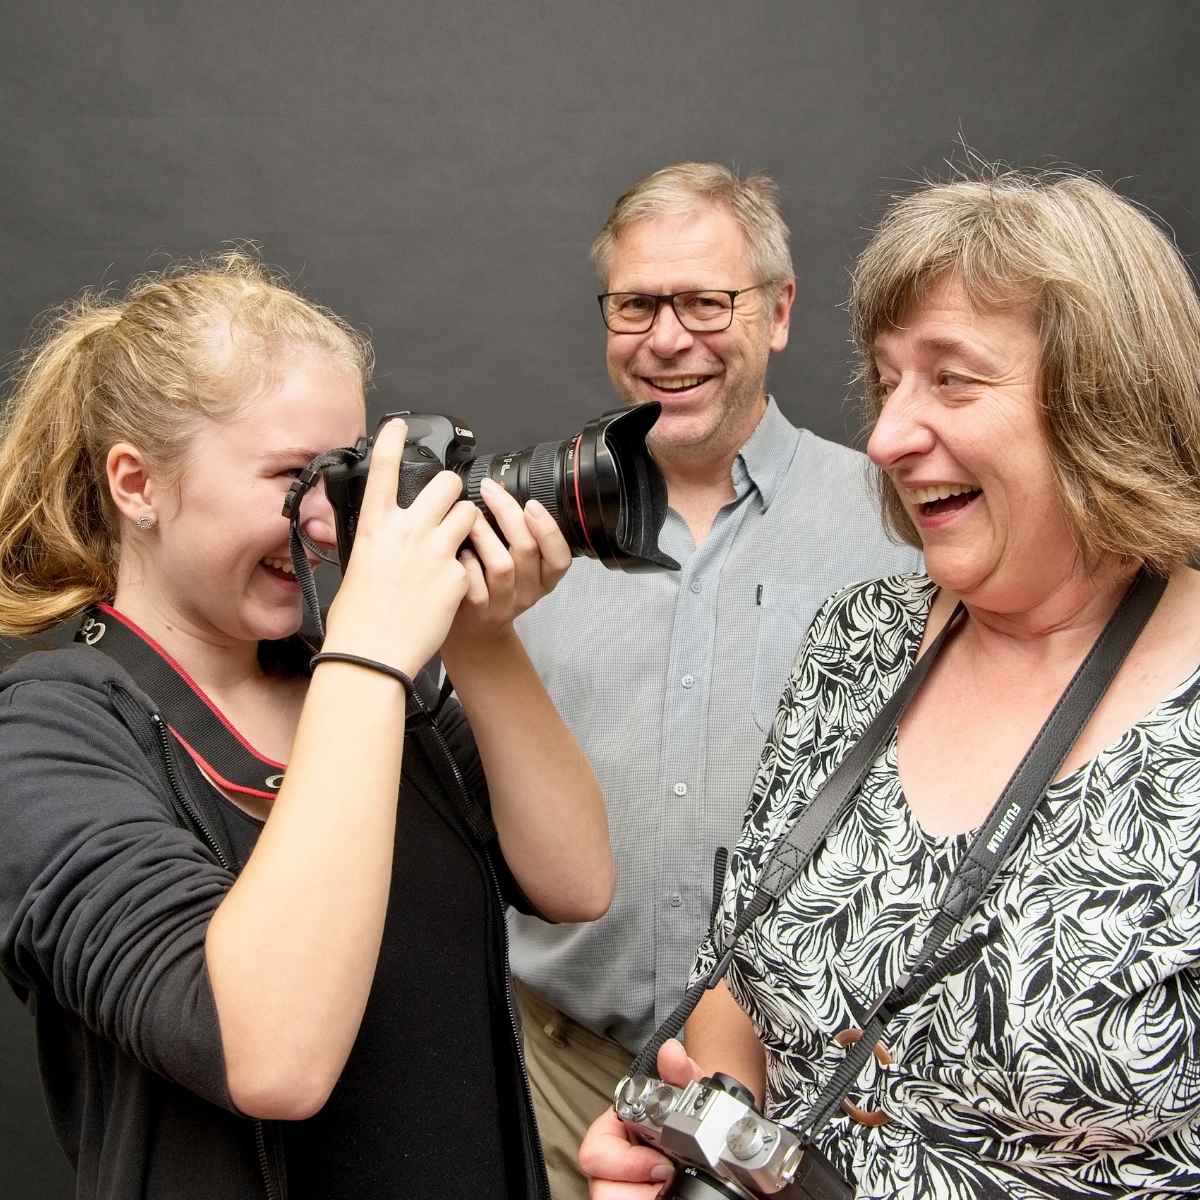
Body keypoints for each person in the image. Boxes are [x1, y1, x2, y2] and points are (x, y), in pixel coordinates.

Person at [580, 166, 1200, 1199]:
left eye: (953, 379)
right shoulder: (857, 643)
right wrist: (702, 1159)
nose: (885, 437)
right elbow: (743, 983)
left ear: (1107, 397)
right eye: (889, 380)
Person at [0, 252, 615, 1200]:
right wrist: (369, 659)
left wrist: (481, 640)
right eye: (291, 478)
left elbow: (575, 881)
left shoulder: (364, 684)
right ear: (137, 483)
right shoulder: (48, 735)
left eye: (344, 476)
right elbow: (273, 1061)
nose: (329, 525)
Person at [509, 162, 921, 1198]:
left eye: (705, 301)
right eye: (638, 304)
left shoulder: (901, 523)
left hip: (810, 1093)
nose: (667, 337)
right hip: (560, 1080)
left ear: (778, 312)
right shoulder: (529, 539)